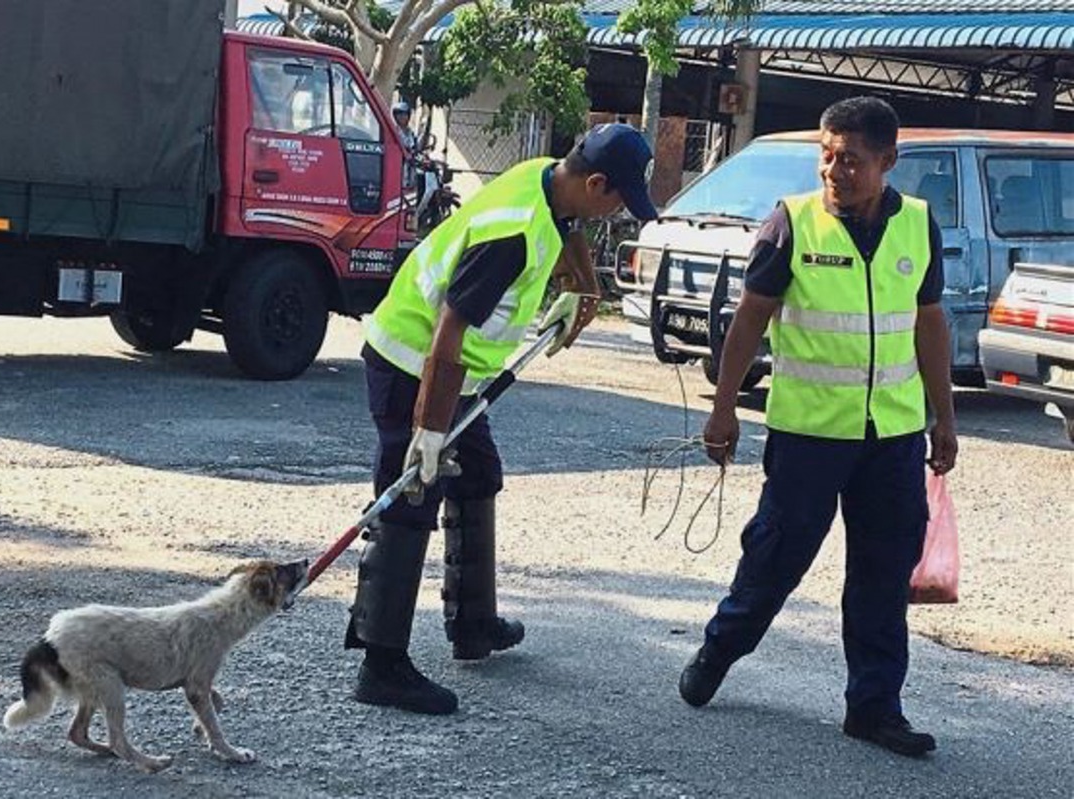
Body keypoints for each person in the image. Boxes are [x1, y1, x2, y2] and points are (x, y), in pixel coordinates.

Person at [678, 97, 959, 757]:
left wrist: (943, 417)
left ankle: (874, 706)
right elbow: (749, 319)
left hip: (890, 440)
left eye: (852, 160)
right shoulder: (792, 222)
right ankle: (720, 648)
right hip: (807, 436)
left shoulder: (918, 225)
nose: (835, 170)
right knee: (775, 559)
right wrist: (723, 407)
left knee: (883, 576)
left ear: (888, 162)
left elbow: (929, 323)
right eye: (826, 156)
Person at [347, 123, 659, 715]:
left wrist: (586, 291)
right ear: (596, 183)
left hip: (457, 374)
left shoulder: (548, 178)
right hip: (412, 361)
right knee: (413, 495)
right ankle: (380, 664)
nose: (616, 210)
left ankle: (474, 624)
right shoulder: (511, 234)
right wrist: (429, 432)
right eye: (617, 199)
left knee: (479, 476)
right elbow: (448, 335)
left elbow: (568, 231)